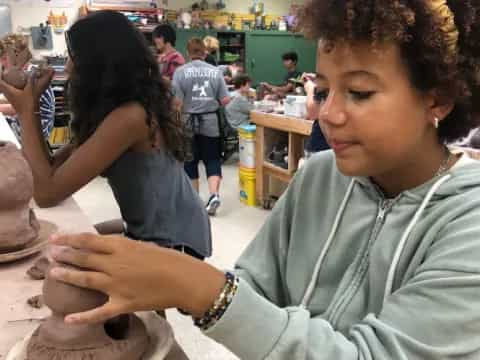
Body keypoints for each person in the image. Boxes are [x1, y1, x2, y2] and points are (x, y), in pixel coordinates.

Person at [47, 1, 480, 359]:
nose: (325, 114)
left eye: (360, 93)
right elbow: (254, 285)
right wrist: (164, 276)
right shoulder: (319, 176)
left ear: (437, 99)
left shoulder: (468, 225)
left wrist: (200, 288)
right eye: (324, 90)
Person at [0, 11, 211, 260]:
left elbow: (46, 194)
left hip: (175, 240)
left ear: (98, 63)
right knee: (65, 244)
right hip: (150, 228)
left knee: (65, 255)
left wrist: (25, 111)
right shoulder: (112, 110)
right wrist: (31, 107)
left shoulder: (130, 116)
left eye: (74, 57)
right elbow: (53, 169)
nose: (67, 66)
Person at [172, 37, 230, 216]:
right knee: (212, 159)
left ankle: (195, 202)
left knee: (190, 161)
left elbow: (177, 103)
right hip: (210, 122)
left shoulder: (180, 72)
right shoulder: (215, 72)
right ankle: (214, 195)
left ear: (188, 52)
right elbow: (225, 100)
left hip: (188, 122)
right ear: (204, 52)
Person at [0, 34, 54, 142]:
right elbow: (14, 97)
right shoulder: (26, 72)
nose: (3, 63)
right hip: (32, 128)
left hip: (35, 135)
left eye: (5, 58)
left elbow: (17, 107)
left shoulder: (30, 74)